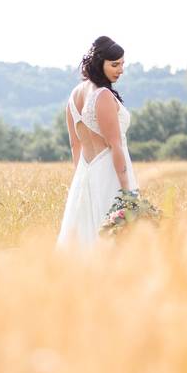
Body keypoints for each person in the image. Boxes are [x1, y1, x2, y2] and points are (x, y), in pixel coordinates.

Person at [56, 36, 138, 247]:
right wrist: (127, 191)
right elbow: (115, 144)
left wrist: (81, 182)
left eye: (122, 64)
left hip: (86, 171)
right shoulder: (102, 95)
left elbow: (75, 145)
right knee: (115, 242)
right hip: (110, 173)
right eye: (114, 64)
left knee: (86, 239)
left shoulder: (74, 96)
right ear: (98, 63)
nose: (120, 70)